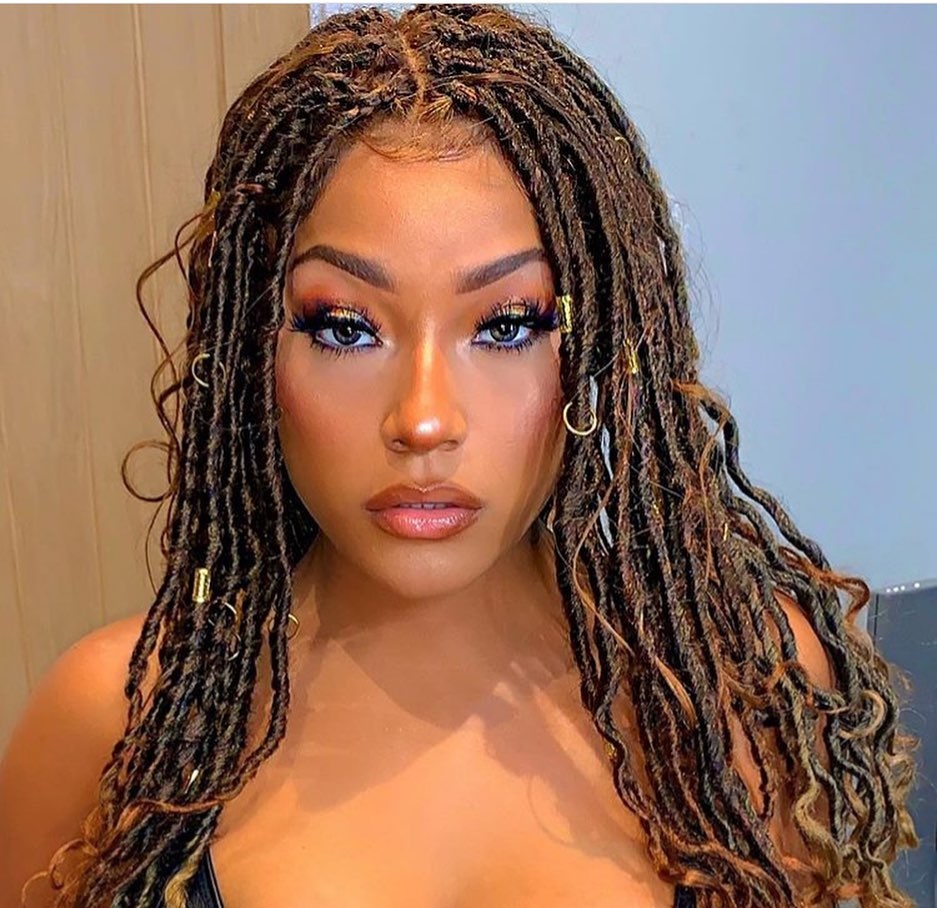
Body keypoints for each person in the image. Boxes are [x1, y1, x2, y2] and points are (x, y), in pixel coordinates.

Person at [0, 5, 920, 908]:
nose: (425, 419)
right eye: (345, 327)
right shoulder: (113, 721)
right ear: (250, 351)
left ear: (601, 347)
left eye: (507, 325)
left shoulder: (741, 684)